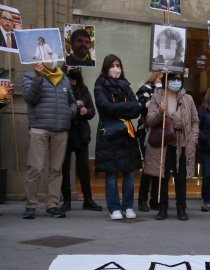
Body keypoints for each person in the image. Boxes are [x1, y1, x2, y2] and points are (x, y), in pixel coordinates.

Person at [22, 61, 77, 219]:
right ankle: (30, 205)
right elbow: (29, 98)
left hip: (60, 130)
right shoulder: (30, 75)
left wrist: (70, 112)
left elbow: (72, 101)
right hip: (39, 128)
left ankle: (52, 204)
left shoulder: (63, 78)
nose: (51, 59)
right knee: (35, 168)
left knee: (56, 169)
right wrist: (39, 78)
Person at [145, 72, 199, 221]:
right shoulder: (157, 97)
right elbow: (149, 120)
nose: (177, 81)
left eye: (179, 79)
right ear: (166, 81)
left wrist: (193, 139)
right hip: (163, 143)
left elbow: (195, 121)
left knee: (181, 177)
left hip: (181, 143)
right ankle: (162, 207)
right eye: (173, 79)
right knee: (163, 177)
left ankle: (181, 208)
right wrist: (159, 111)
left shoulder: (187, 98)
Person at [94, 54, 142, 220]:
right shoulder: (99, 85)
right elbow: (106, 108)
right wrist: (126, 106)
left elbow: (136, 109)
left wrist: (119, 107)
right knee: (111, 173)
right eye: (113, 65)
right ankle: (114, 208)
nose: (116, 68)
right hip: (110, 135)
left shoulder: (126, 85)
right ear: (106, 67)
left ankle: (128, 206)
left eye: (118, 65)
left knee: (129, 173)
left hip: (127, 135)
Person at [60, 66, 102, 212]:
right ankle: (66, 201)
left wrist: (86, 110)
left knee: (84, 168)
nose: (75, 69)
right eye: (72, 66)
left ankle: (88, 200)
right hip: (66, 132)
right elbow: (58, 108)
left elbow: (92, 111)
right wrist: (73, 105)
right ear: (65, 69)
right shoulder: (61, 86)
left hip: (82, 133)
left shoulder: (83, 89)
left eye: (77, 67)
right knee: (65, 168)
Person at [135, 72, 163, 212]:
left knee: (159, 167)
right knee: (148, 167)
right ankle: (142, 198)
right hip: (148, 132)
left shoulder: (168, 90)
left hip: (163, 132)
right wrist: (158, 97)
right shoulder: (146, 88)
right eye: (162, 76)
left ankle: (155, 199)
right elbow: (141, 106)